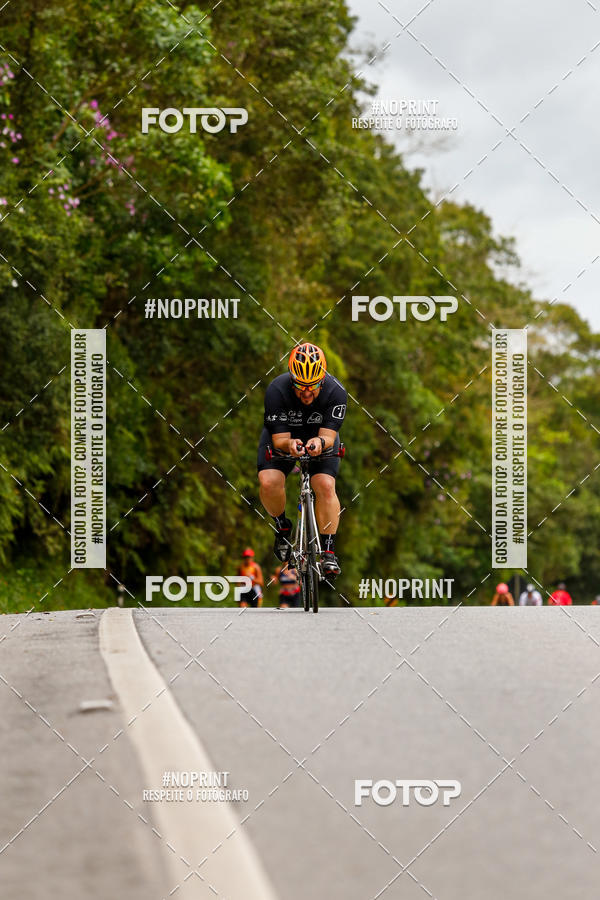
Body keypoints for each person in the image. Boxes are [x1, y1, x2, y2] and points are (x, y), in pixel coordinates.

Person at [257, 343, 347, 577]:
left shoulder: (336, 391)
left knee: (325, 486)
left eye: (313, 386)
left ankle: (328, 551)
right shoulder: (277, 389)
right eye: (300, 386)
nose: (306, 393)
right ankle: (282, 526)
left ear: (322, 379)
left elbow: (328, 436)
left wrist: (320, 442)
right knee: (268, 481)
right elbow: (280, 439)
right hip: (284, 437)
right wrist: (290, 445)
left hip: (320, 438)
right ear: (291, 379)